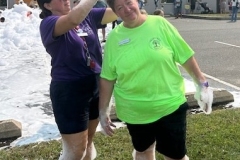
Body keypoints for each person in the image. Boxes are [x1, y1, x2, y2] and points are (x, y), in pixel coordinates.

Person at [98, 0, 213, 160]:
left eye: (128, 2)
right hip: (135, 111)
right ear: (115, 13)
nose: (126, 9)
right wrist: (103, 111)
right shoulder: (114, 39)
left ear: (136, 2)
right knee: (143, 151)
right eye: (119, 7)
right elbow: (107, 78)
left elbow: (185, 55)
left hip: (169, 105)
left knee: (176, 156)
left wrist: (202, 84)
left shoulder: (160, 24)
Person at [36, 0, 117, 159]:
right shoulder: (48, 23)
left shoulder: (87, 16)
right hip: (69, 90)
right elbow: (73, 19)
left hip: (94, 84)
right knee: (75, 150)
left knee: (88, 143)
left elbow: (116, 11)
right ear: (48, 5)